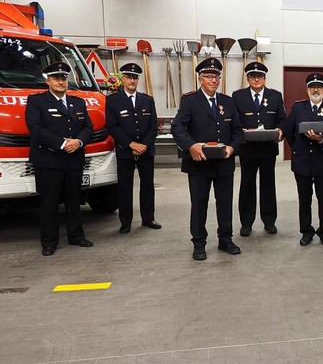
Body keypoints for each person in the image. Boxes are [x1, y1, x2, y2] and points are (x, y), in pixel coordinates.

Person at [171, 57, 244, 260]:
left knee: (225, 203)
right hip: (199, 163)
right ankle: (199, 243)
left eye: (216, 77)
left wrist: (232, 148)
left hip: (224, 163)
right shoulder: (190, 101)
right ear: (200, 79)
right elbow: (177, 127)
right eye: (208, 77)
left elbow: (238, 132)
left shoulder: (227, 102)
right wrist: (191, 145)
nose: (213, 80)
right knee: (199, 203)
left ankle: (225, 239)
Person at [25, 62, 94, 256]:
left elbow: (88, 127)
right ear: (47, 80)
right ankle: (49, 242)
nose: (61, 82)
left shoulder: (78, 102)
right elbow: (36, 129)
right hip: (49, 160)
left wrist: (79, 142)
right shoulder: (36, 101)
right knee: (49, 202)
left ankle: (76, 236)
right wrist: (63, 144)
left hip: (74, 159)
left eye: (63, 78)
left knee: (74, 200)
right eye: (56, 78)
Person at [284, 73, 323, 247]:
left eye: (320, 87)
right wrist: (298, 148)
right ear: (307, 89)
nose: (316, 90)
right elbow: (288, 130)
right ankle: (306, 231)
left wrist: (321, 141)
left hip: (322, 160)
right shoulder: (298, 108)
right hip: (302, 161)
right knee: (304, 199)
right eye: (312, 87)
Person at [232, 61, 287, 237]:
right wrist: (241, 132)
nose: (256, 79)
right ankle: (246, 223)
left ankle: (269, 221)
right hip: (247, 149)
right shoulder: (238, 96)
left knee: (268, 184)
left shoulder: (275, 96)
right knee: (247, 185)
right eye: (252, 76)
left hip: (268, 149)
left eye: (260, 76)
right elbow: (234, 121)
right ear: (248, 78)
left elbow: (282, 120)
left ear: (264, 78)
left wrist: (281, 131)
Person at [106, 63, 160, 234]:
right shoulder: (113, 101)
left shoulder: (147, 100)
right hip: (125, 150)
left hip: (146, 150)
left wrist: (144, 145)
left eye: (135, 77)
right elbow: (112, 126)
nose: (132, 80)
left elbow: (153, 126)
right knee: (125, 187)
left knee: (147, 185)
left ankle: (148, 218)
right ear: (123, 79)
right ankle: (126, 221)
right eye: (129, 77)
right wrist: (131, 144)